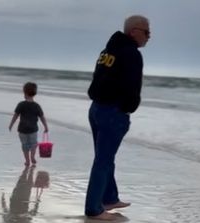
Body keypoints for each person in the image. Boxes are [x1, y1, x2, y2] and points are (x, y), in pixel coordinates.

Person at [85, 15, 150, 220]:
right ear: (134, 31)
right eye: (146, 32)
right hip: (112, 112)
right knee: (103, 161)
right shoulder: (131, 53)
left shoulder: (107, 51)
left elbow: (98, 78)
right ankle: (93, 209)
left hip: (96, 109)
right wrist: (128, 108)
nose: (149, 37)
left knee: (105, 158)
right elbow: (132, 86)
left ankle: (110, 198)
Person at [9, 82, 49, 166]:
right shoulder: (37, 106)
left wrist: (11, 124)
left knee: (24, 145)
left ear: (25, 93)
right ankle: (32, 156)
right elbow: (42, 117)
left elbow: (15, 116)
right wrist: (46, 126)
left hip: (22, 130)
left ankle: (27, 161)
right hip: (33, 130)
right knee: (34, 144)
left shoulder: (21, 104)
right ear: (34, 93)